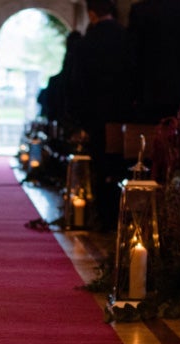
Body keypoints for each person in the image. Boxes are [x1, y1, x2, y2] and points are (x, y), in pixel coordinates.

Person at [72, 0, 132, 231]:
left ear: (92, 14)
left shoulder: (87, 42)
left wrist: (80, 120)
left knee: (100, 165)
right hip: (122, 113)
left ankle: (103, 216)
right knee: (119, 165)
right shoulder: (125, 36)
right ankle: (119, 215)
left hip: (95, 114)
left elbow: (79, 83)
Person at [126, 0, 180, 124]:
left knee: (153, 139)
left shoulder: (140, 10)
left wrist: (133, 94)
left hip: (150, 92)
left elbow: (133, 57)